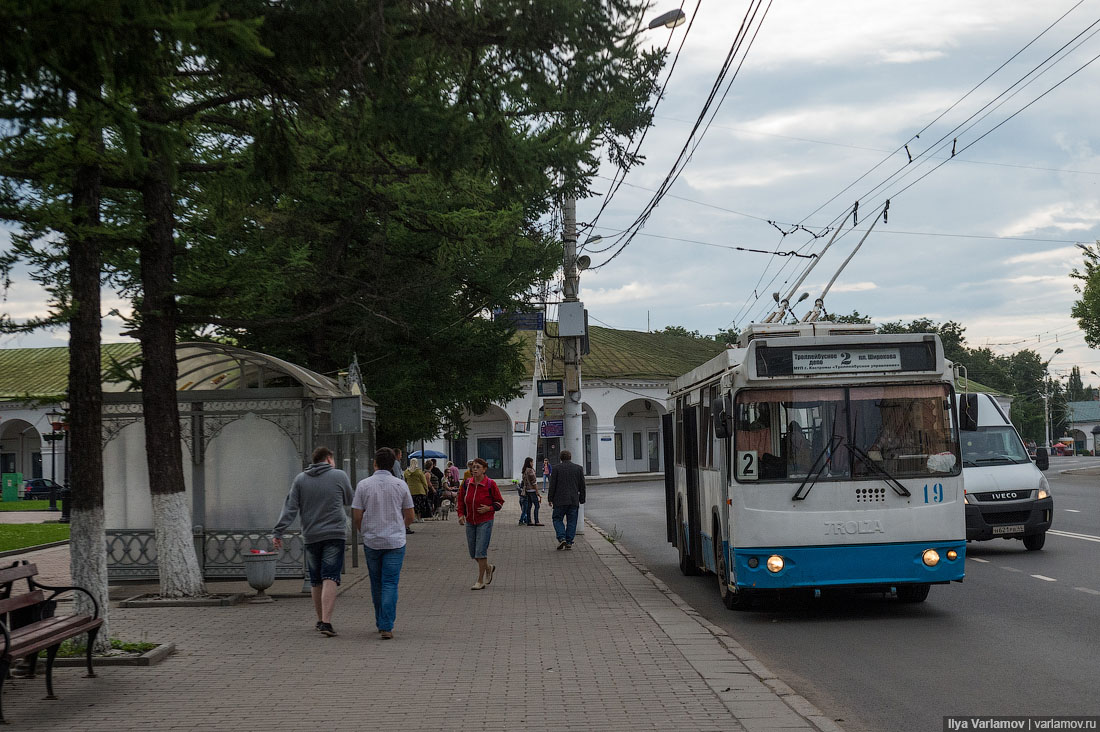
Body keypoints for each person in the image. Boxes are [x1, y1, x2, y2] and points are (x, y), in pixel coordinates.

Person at [273, 446, 353, 637]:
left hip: (311, 535)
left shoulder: (300, 479)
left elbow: (290, 508)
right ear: (329, 458)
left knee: (315, 579)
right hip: (334, 534)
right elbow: (350, 499)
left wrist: (278, 532)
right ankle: (326, 621)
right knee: (330, 577)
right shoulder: (339, 476)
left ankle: (320, 619)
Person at [352, 448, 415, 640]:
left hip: (372, 541)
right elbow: (410, 515)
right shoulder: (400, 485)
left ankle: (380, 621)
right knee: (390, 582)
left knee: (376, 582)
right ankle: (387, 624)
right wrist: (399, 527)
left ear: (374, 463)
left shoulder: (363, 485)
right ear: (393, 464)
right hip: (395, 541)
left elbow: (356, 514)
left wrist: (364, 530)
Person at [457, 457, 504, 590]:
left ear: (484, 469)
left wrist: (488, 508)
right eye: (473, 467)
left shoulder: (490, 484)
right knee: (473, 553)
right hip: (470, 521)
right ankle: (488, 567)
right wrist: (460, 514)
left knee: (480, 551)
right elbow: (461, 500)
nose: (475, 469)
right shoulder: (467, 483)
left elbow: (499, 502)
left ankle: (480, 580)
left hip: (485, 521)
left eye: (478, 467)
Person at [548, 450, 585, 550]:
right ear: (570, 457)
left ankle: (561, 537)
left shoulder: (556, 469)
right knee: (572, 521)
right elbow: (582, 485)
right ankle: (569, 541)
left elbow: (552, 485)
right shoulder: (578, 468)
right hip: (573, 500)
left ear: (561, 458)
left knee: (557, 519)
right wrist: (582, 499)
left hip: (559, 500)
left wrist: (550, 498)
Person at [404, 458, 432, 522]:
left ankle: (414, 518)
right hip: (420, 490)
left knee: (413, 505)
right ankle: (420, 518)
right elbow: (424, 482)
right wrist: (426, 489)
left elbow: (405, 481)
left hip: (410, 491)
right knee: (420, 505)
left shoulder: (406, 472)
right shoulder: (419, 472)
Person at [521, 457, 542, 526]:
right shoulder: (530, 470)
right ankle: (537, 521)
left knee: (529, 506)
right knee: (537, 505)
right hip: (532, 490)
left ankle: (529, 521)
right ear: (529, 462)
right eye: (532, 462)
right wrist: (537, 492)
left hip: (527, 490)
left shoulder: (525, 470)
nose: (533, 463)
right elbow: (534, 482)